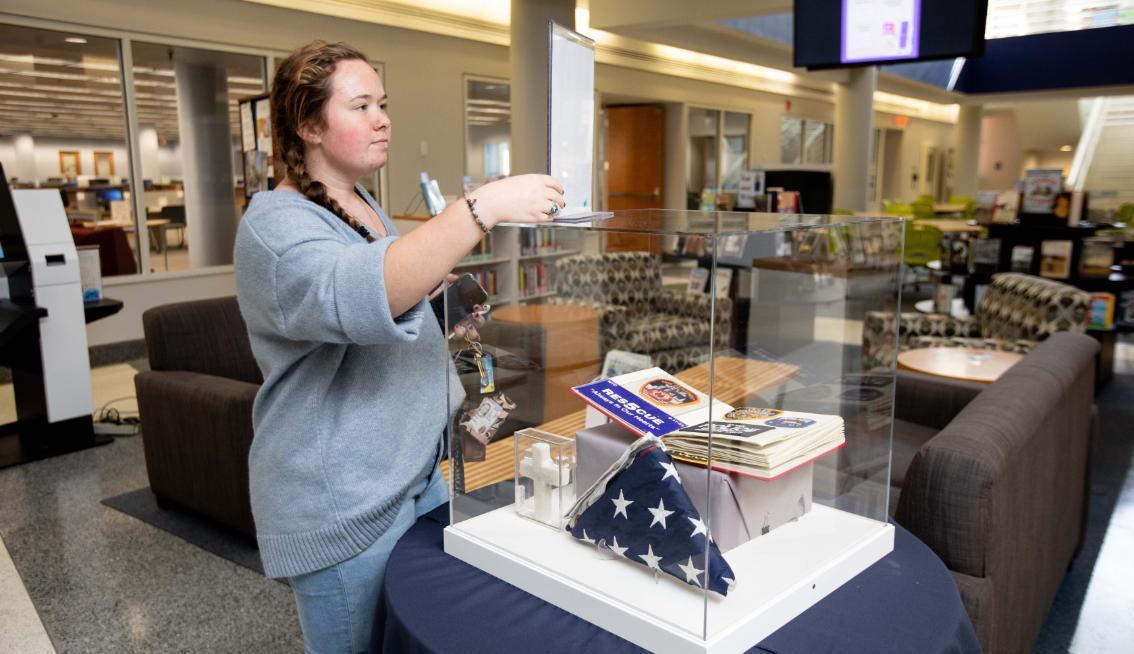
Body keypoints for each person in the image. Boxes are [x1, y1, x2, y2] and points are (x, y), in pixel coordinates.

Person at [233, 40, 564, 653]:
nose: (382, 119)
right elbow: (367, 288)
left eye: (382, 103)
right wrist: (485, 204)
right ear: (307, 125)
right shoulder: (275, 226)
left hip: (412, 476)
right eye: (359, 106)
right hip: (343, 503)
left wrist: (439, 297)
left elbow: (394, 285)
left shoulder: (361, 207)